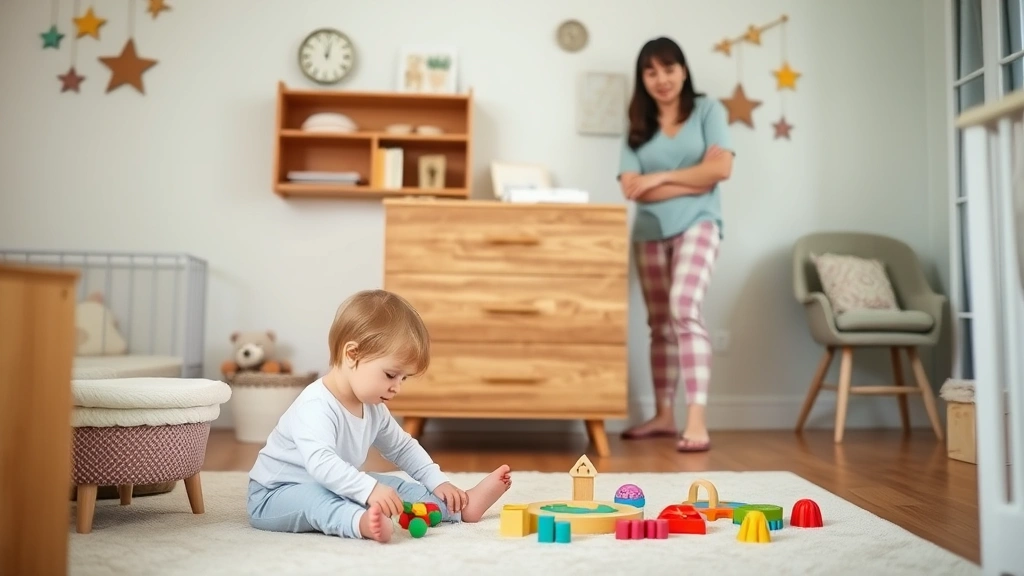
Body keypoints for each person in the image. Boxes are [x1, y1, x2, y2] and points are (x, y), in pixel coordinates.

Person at [247, 289, 513, 543]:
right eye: (390, 375)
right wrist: (368, 490)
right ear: (352, 354)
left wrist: (437, 480)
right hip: (276, 494)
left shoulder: (373, 406)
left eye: (404, 378)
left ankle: (458, 507)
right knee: (320, 500)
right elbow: (321, 464)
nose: (397, 386)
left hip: (331, 483)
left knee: (394, 486)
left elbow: (403, 448)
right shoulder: (316, 405)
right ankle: (360, 523)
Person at [617, 37, 734, 452]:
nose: (661, 79)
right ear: (642, 78)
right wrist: (691, 176)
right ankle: (664, 415)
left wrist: (658, 178)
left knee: (685, 309)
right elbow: (633, 190)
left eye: (668, 69)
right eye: (651, 71)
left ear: (683, 70)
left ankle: (696, 420)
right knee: (659, 326)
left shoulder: (708, 111)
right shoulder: (636, 127)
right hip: (649, 233)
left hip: (700, 224)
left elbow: (721, 169)